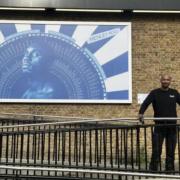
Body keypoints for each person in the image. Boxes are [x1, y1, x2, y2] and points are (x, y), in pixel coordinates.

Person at [138, 74, 180, 172]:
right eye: (164, 80)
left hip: (172, 126)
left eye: (167, 80)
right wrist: (141, 113)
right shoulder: (154, 93)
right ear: (161, 81)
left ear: (170, 81)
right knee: (156, 150)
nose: (165, 81)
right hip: (159, 125)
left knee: (171, 150)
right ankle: (153, 169)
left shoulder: (174, 93)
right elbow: (145, 103)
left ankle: (169, 170)